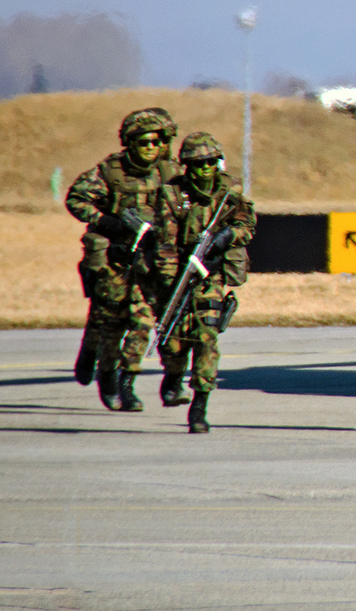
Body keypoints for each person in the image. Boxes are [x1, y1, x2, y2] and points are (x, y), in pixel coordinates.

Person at [65, 107, 179, 411]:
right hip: (115, 259)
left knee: (143, 322)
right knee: (109, 321)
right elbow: (76, 198)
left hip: (148, 261)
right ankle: (105, 374)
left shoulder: (169, 173)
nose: (152, 148)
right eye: (144, 142)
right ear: (129, 143)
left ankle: (127, 384)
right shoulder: (110, 171)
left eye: (157, 142)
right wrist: (106, 223)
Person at [152, 132, 255, 433]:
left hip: (212, 276)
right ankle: (173, 376)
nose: (205, 169)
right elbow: (164, 244)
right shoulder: (172, 195)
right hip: (176, 274)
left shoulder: (230, 191)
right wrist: (173, 281)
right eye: (197, 164)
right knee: (172, 342)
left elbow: (247, 224)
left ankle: (199, 406)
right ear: (186, 166)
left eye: (210, 162)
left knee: (206, 337)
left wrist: (227, 237)